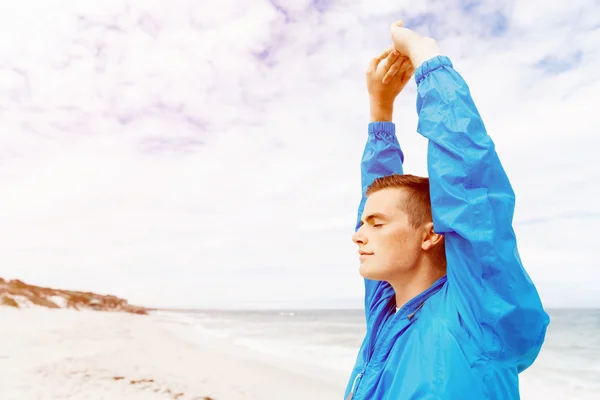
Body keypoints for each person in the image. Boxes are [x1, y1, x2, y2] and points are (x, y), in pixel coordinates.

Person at [344, 21, 550, 400]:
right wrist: (381, 110)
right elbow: (383, 195)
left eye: (375, 225)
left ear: (432, 232)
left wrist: (427, 58)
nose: (358, 234)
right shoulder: (389, 313)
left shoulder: (477, 317)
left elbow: (469, 186)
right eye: (362, 223)